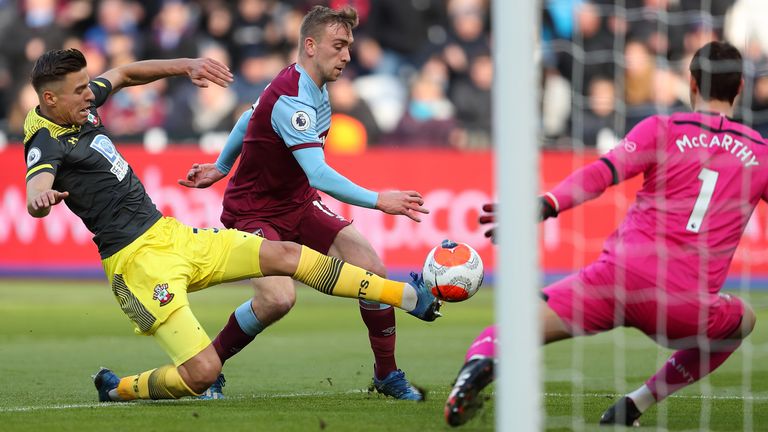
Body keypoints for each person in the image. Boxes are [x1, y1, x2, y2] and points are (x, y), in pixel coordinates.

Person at [23, 48, 441, 403]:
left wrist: (187, 64)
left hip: (169, 234)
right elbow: (36, 187)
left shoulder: (77, 104)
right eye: (79, 91)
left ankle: (407, 296)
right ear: (50, 99)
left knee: (288, 256)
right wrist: (41, 201)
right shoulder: (45, 141)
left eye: (86, 86)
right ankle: (117, 391)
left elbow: (125, 73)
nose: (89, 95)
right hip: (136, 266)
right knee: (201, 374)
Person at [444, 40, 759, 427]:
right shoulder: (760, 152)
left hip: (618, 280)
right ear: (741, 87)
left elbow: (602, 175)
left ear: (692, 83)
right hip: (686, 306)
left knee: (515, 327)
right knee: (744, 320)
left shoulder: (662, 128)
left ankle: (475, 370)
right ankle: (635, 404)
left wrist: (545, 204)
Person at [178, 6, 431, 400]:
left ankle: (387, 374)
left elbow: (249, 117)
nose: (347, 55)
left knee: (372, 271)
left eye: (349, 45)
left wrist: (221, 165)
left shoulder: (307, 87)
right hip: (253, 211)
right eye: (339, 45)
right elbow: (319, 173)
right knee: (278, 298)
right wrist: (379, 200)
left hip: (297, 202)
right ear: (311, 46)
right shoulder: (292, 99)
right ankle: (210, 367)